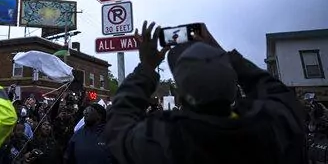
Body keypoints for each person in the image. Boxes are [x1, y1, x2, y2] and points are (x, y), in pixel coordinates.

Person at [105, 21, 306, 164]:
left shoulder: (164, 138)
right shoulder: (274, 125)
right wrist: (219, 52)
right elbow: (275, 90)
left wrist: (147, 67)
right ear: (233, 87)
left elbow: (118, 125)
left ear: (181, 96)